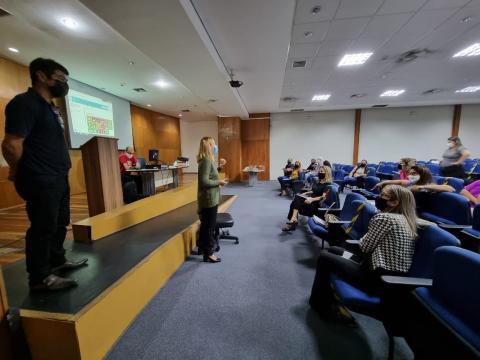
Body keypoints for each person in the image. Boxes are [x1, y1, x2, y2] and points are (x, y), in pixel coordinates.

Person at [1, 58, 87, 291]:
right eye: (60, 78)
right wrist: (18, 169)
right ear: (41, 76)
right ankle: (40, 278)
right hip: (40, 178)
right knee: (42, 227)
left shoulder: (50, 107)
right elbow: (11, 144)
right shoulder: (25, 103)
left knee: (60, 222)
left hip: (58, 175)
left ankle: (57, 261)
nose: (64, 83)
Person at [309, 185, 418, 321]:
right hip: (382, 271)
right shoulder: (406, 219)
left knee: (325, 257)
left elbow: (364, 247)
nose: (378, 197)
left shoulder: (385, 218)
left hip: (376, 277)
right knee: (334, 250)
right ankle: (329, 297)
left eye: (383, 195)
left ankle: (320, 305)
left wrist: (365, 238)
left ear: (394, 202)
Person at [197, 137, 227, 263]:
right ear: (209, 145)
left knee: (205, 226)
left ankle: (203, 249)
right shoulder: (207, 160)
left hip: (209, 198)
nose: (215, 147)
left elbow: (210, 174)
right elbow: (204, 181)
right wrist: (219, 182)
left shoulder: (207, 160)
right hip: (209, 199)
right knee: (209, 227)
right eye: (213, 144)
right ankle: (209, 253)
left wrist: (219, 167)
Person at [282, 165, 333, 231]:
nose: (320, 173)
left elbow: (323, 197)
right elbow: (314, 190)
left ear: (326, 173)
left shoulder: (328, 185)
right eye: (319, 171)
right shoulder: (319, 182)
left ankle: (293, 220)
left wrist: (312, 199)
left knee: (295, 201)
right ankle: (293, 219)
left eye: (322, 171)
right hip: (309, 201)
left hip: (315, 205)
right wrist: (306, 193)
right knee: (297, 199)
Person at [375, 166, 454, 193]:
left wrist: (422, 187)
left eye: (414, 174)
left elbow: (450, 189)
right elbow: (400, 181)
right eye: (410, 173)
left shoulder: (427, 185)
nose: (410, 176)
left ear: (422, 175)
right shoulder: (410, 183)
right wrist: (383, 182)